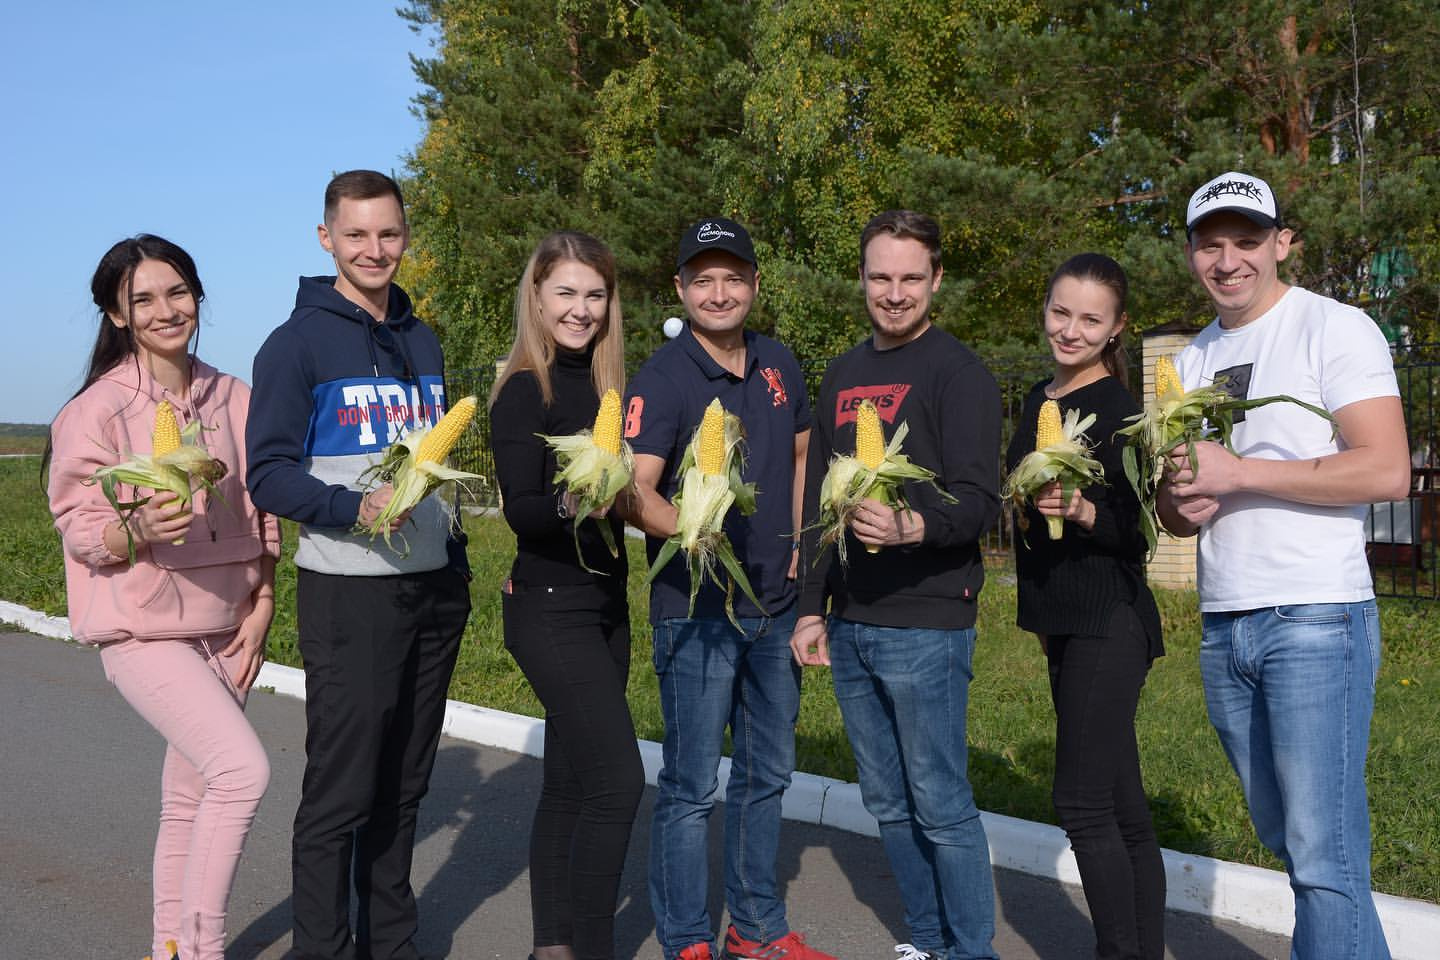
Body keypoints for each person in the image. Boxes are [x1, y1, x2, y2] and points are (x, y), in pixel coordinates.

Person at [1158, 171, 1409, 959]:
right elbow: (1175, 506)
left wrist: (1240, 475)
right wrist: (1180, 503)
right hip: (1225, 620)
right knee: (1296, 839)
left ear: (1282, 243)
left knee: (1322, 854)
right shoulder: (1195, 356)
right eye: (1210, 243)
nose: (1227, 259)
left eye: (1246, 240)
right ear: (1193, 253)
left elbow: (1386, 471)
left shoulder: (1333, 328)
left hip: (1315, 617)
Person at [246, 170, 472, 960]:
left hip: (433, 588)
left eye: (388, 234)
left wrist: (456, 560)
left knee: (405, 787)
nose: (374, 250)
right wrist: (355, 509)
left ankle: (393, 944)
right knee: (342, 792)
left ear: (406, 236)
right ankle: (323, 948)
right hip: (350, 595)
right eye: (356, 235)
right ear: (325, 239)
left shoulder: (421, 338)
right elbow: (267, 473)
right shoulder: (295, 344)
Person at [45, 235, 278, 960]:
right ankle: (205, 950)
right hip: (142, 631)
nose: (164, 310)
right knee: (242, 772)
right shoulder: (97, 411)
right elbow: (79, 525)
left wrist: (264, 598)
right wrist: (135, 527)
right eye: (142, 299)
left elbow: (261, 503)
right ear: (117, 314)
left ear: (197, 297)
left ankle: (170, 950)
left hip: (227, 625)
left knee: (189, 800)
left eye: (177, 292)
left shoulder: (235, 396)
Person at [622, 217, 833, 960]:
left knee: (766, 775)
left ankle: (755, 926)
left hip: (775, 606)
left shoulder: (778, 363)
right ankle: (686, 937)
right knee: (689, 787)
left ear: (753, 285)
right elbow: (633, 489)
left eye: (733, 277)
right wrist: (688, 528)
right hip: (697, 613)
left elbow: (805, 450)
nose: (719, 292)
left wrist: (808, 545)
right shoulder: (663, 377)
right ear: (681, 288)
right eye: (703, 279)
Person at [792, 210, 1001, 960]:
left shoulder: (959, 373)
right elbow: (819, 497)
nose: (895, 292)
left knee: (940, 803)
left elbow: (981, 498)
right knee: (885, 800)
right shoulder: (845, 373)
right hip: (851, 621)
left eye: (911, 277)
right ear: (862, 278)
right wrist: (812, 608)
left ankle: (971, 950)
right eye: (881, 276)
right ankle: (928, 941)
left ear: (936, 279)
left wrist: (913, 526)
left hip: (928, 622)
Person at [1004, 254, 1166, 959]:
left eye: (1090, 319)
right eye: (1060, 312)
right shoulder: (1039, 401)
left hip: (1111, 621)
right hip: (1064, 626)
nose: (1071, 330)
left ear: (1116, 329)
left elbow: (1140, 532)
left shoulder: (1123, 413)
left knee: (1082, 804)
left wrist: (1083, 507)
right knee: (1124, 811)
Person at [488, 231, 644, 960]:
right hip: (549, 606)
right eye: (566, 293)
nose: (581, 309)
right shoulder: (527, 387)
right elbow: (520, 508)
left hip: (606, 605)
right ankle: (591, 949)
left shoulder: (613, 391)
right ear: (537, 297)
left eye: (594, 294)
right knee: (619, 783)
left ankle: (551, 945)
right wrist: (574, 500)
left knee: (573, 785)